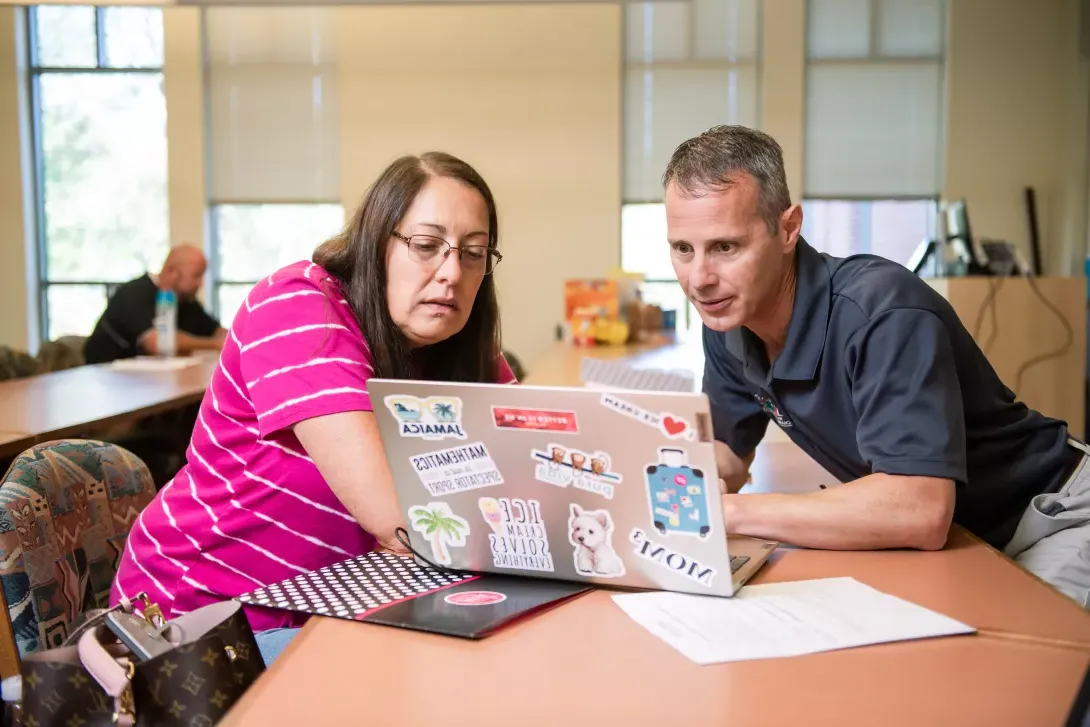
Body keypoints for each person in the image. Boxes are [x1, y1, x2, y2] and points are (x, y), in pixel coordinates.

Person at [110, 152, 517, 665]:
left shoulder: (455, 345)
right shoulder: (301, 307)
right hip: (207, 620)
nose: (452, 272)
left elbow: (526, 481)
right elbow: (398, 519)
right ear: (376, 244)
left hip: (346, 603)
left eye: (474, 253)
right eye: (426, 245)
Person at [664, 124, 1090, 606]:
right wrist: (666, 474)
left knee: (1029, 670)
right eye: (683, 248)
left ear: (787, 228)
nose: (700, 279)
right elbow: (727, 453)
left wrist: (731, 513)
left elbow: (918, 510)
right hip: (963, 539)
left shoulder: (882, 313)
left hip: (1052, 517)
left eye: (725, 247)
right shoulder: (729, 317)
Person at [83, 244, 227, 364]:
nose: (201, 283)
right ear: (172, 271)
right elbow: (158, 343)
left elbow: (217, 331)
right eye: (196, 275)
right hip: (108, 379)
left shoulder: (187, 301)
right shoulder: (133, 294)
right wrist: (214, 344)